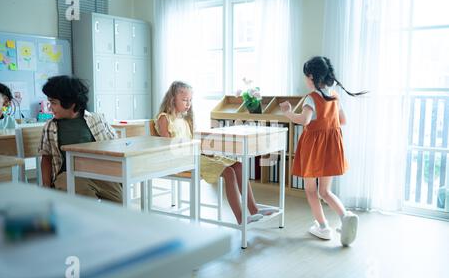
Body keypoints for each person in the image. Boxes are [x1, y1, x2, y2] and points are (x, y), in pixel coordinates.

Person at [155, 81, 278, 224]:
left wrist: (204, 150)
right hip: (181, 160)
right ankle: (241, 218)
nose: (188, 103)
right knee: (228, 172)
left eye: (190, 100)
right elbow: (166, 147)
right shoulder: (165, 118)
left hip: (195, 155)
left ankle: (254, 209)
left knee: (238, 166)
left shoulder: (185, 119)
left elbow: (193, 141)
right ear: (172, 99)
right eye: (184, 100)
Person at [280, 56, 367, 246]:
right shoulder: (334, 96)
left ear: (311, 76)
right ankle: (345, 217)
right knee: (325, 191)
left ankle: (323, 227)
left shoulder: (311, 98)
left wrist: (287, 112)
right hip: (332, 146)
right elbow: (342, 121)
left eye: (305, 76)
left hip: (313, 148)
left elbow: (305, 120)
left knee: (311, 190)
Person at [38, 75, 122, 203]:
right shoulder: (50, 127)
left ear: (70, 103)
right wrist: (46, 186)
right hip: (68, 175)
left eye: (53, 103)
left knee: (121, 204)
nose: (50, 107)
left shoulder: (97, 119)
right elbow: (46, 157)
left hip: (100, 174)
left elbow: (115, 144)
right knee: (87, 204)